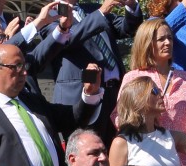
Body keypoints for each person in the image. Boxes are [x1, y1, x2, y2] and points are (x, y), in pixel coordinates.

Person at [43, 0, 143, 145]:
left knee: (120, 150)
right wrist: (101, 12)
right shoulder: (51, 14)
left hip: (114, 94)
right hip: (81, 98)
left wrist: (131, 6)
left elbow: (127, 28)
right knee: (88, 154)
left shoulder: (92, 9)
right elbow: (67, 39)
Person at [114, 18, 186, 166]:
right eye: (161, 39)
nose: (168, 42)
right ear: (147, 43)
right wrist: (141, 130)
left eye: (170, 38)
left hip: (182, 163)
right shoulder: (134, 78)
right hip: (147, 160)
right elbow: (119, 116)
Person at [0, 6, 72, 105]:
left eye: (5, 37)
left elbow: (39, 54)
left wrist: (62, 29)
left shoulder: (16, 62)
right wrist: (38, 23)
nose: (4, 40)